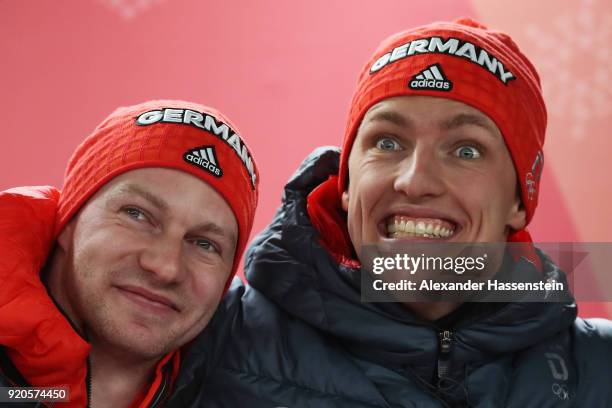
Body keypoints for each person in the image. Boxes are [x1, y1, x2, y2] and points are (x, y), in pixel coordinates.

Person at [194, 19, 612, 407]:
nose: (414, 180)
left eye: (466, 150)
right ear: (347, 182)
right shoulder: (209, 336)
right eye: (387, 143)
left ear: (520, 201)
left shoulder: (600, 366)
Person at [0, 100, 259, 407]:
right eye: (137, 214)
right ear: (68, 220)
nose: (165, 267)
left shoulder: (253, 387)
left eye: (205, 244)